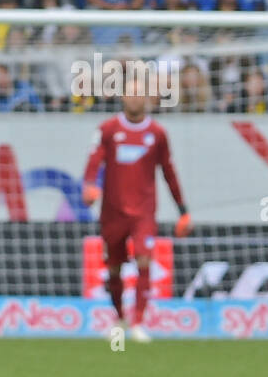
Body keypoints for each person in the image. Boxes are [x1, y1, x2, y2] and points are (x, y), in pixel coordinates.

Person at [81, 77, 192, 343]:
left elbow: (169, 172)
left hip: (143, 211)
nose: (133, 98)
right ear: (122, 97)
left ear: (147, 98)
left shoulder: (157, 134)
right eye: (129, 93)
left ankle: (139, 323)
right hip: (112, 212)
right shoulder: (107, 130)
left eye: (138, 94)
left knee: (144, 259)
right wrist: (89, 186)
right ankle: (120, 318)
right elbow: (93, 162)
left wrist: (183, 211)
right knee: (114, 270)